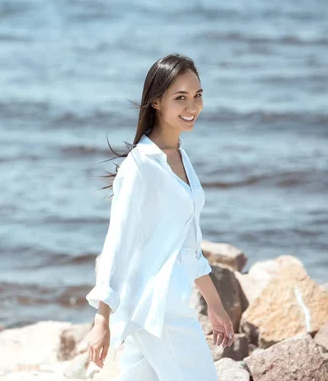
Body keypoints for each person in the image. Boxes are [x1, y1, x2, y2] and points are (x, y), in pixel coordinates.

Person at [85, 54, 234, 380]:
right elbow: (118, 243)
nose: (192, 105)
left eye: (197, 95)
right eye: (180, 97)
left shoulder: (180, 156)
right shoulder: (141, 166)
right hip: (160, 310)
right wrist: (101, 319)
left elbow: (188, 248)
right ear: (156, 102)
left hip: (163, 304)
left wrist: (215, 304)